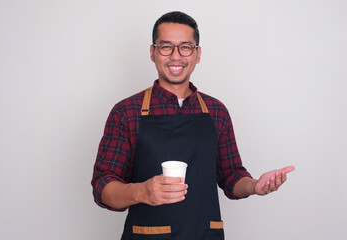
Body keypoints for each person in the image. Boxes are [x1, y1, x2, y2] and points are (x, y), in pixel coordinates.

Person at [91, 11, 295, 240]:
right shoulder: (126, 112)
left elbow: (231, 176)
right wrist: (143, 191)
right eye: (166, 46)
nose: (176, 56)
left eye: (185, 47)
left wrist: (255, 185)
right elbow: (103, 186)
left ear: (197, 54)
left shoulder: (216, 112)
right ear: (153, 52)